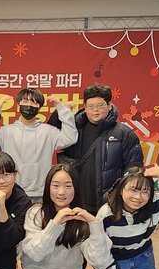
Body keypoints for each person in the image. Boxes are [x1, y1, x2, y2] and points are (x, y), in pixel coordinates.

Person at [55, 84, 142, 214]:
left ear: (109, 105)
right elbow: (50, 137)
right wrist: (60, 112)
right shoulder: (73, 129)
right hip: (76, 200)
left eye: (100, 106)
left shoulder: (124, 133)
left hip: (109, 203)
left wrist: (118, 196)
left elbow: (133, 169)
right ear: (85, 107)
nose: (95, 110)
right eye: (90, 106)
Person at [0, 87, 78, 200]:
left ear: (39, 108)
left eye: (34, 103)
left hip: (40, 193)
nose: (29, 106)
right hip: (12, 192)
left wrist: (62, 109)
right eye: (25, 101)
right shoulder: (6, 132)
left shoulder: (48, 131)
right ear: (18, 106)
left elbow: (70, 138)